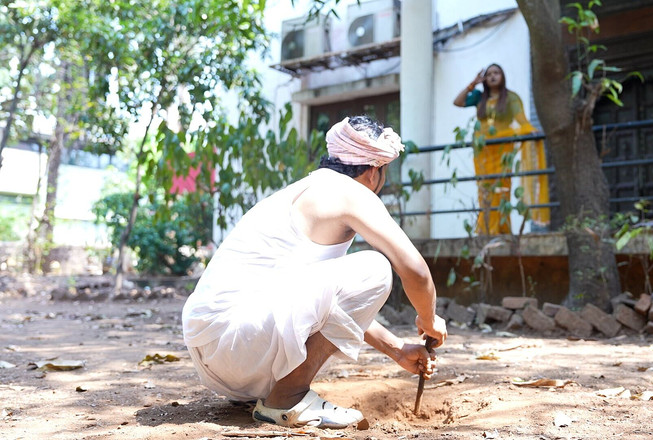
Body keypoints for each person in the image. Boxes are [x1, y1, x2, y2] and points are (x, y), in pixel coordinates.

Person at [181, 116, 447, 429]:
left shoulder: (306, 189)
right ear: (375, 170)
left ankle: (276, 391)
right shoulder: (352, 192)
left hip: (219, 357)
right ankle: (287, 398)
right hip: (236, 344)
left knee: (355, 276)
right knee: (375, 269)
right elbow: (416, 271)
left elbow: (323, 302)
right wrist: (429, 321)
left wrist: (397, 350)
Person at [453, 63, 550, 234]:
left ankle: (500, 229)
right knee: (484, 189)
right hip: (483, 151)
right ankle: (485, 229)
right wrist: (472, 84)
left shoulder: (511, 98)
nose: (492, 76)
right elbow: (457, 102)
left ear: (502, 76)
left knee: (502, 188)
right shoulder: (479, 97)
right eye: (489, 73)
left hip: (503, 150)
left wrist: (533, 131)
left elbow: (522, 122)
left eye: (496, 73)